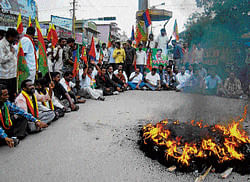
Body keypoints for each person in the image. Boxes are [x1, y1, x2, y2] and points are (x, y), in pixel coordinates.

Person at [0, 28, 19, 102]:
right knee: (5, 97)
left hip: (12, 75)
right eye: (15, 38)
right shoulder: (1, 45)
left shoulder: (11, 45)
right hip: (4, 76)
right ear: (10, 37)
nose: (15, 39)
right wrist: (11, 53)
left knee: (12, 95)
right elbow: (1, 59)